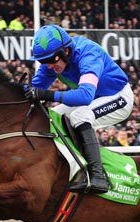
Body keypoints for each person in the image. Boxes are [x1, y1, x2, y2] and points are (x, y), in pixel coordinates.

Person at [25, 24, 134, 194]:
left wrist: (47, 95)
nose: (47, 66)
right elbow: (33, 89)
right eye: (42, 61)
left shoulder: (88, 53)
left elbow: (84, 96)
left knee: (80, 115)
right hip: (93, 100)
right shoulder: (53, 62)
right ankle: (71, 170)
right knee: (52, 117)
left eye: (50, 60)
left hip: (119, 98)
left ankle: (98, 176)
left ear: (66, 52)